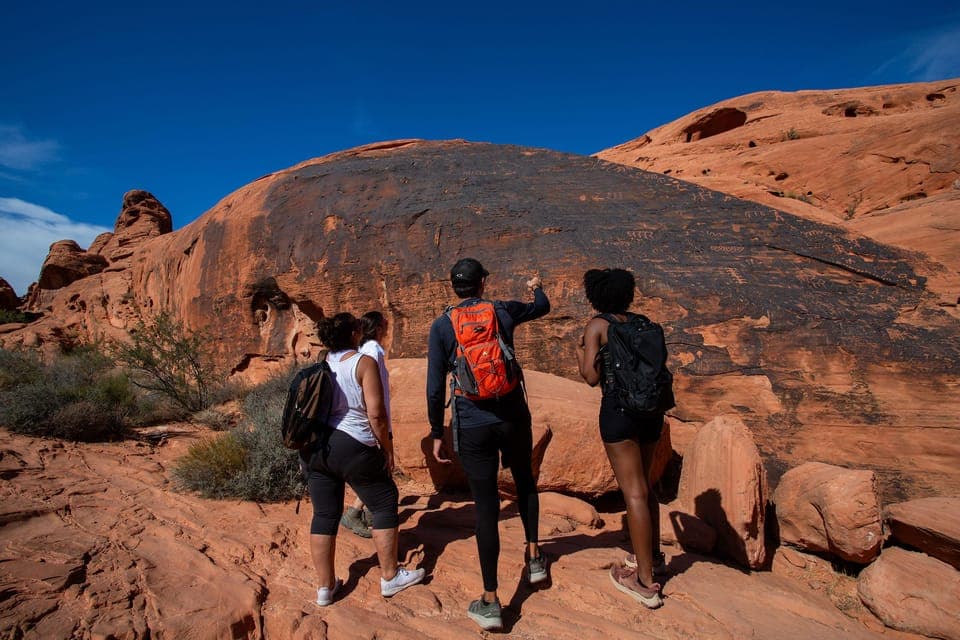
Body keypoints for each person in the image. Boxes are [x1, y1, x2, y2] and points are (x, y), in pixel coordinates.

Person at [427, 257, 550, 631]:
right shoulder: (502, 311)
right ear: (482, 283)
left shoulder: (442, 325)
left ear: (455, 287)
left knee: (485, 507)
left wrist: (436, 433)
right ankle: (534, 559)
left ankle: (491, 599)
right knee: (525, 482)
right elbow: (542, 307)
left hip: (472, 423)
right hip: (512, 417)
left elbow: (434, 388)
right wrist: (536, 287)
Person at [301, 312, 424, 606]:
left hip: (316, 448)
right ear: (355, 334)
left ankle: (325, 588)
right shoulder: (362, 362)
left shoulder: (322, 361)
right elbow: (377, 414)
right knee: (384, 501)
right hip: (352, 443)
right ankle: (390, 576)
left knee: (324, 515)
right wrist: (386, 448)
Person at [575, 268, 666, 609]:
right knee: (647, 487)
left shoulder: (598, 326)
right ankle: (653, 557)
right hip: (651, 412)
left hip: (619, 413)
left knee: (634, 493)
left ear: (596, 296)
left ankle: (643, 581)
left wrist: (580, 351)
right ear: (628, 294)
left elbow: (590, 377)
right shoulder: (643, 323)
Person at [341, 311, 391, 538]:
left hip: (369, 416)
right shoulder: (373, 350)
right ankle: (355, 512)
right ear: (378, 328)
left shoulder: (365, 349)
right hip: (374, 417)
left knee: (377, 467)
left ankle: (369, 512)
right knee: (380, 467)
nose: (387, 327)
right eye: (385, 324)